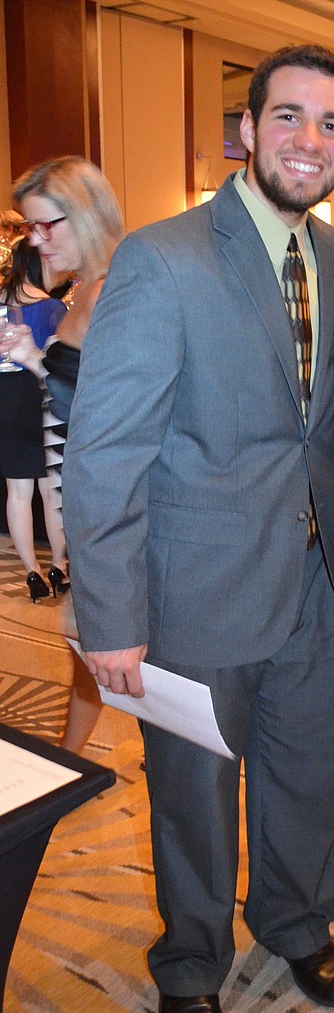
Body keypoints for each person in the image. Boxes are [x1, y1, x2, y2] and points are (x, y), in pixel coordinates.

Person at [62, 44, 334, 1013]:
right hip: (195, 586)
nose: (309, 139)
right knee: (193, 791)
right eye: (289, 116)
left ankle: (295, 920)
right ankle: (190, 961)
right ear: (247, 129)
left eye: (331, 123)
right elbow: (105, 449)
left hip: (315, 578)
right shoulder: (164, 256)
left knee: (308, 771)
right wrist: (111, 617)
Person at [9, 156, 125, 754]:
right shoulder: (84, 290)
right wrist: (34, 358)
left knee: (103, 646)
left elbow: (119, 416)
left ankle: (69, 759)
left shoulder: (116, 292)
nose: (35, 241)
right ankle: (69, 758)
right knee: (89, 647)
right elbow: (78, 393)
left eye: (44, 225)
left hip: (111, 511)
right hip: (83, 504)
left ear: (83, 214)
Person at [0, 240, 67, 600]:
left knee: (18, 492)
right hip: (40, 395)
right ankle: (59, 565)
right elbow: (58, 364)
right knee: (52, 490)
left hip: (5, 398)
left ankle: (31, 572)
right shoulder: (52, 306)